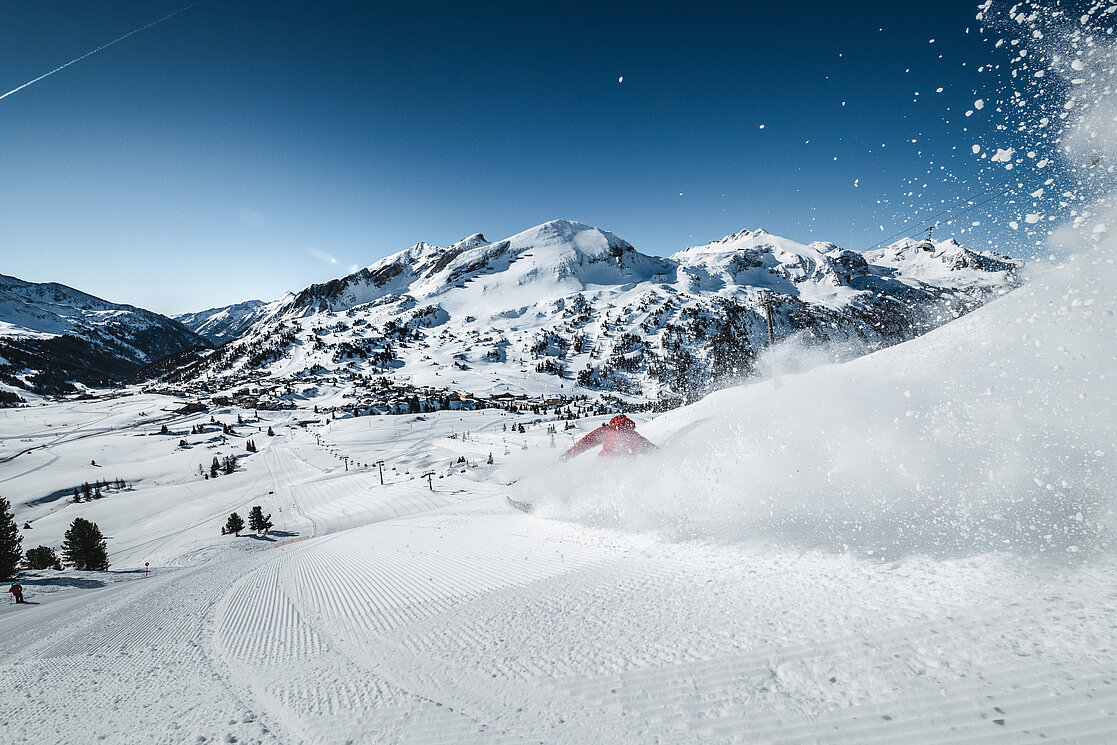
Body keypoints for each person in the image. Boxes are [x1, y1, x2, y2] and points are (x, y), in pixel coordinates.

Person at [561, 414, 658, 460]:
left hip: (603, 465)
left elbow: (586, 442)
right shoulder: (635, 436)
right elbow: (652, 450)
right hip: (627, 472)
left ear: (613, 423)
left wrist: (569, 454)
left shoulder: (607, 431)